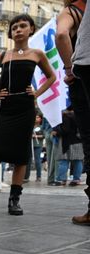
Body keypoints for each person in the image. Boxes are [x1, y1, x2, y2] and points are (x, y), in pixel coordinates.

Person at [0, 14, 55, 216]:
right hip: (5, 107)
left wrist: (36, 93)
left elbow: (52, 76)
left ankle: (14, 200)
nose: (18, 29)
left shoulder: (37, 54)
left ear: (31, 30)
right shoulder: (3, 56)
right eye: (14, 27)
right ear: (10, 33)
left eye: (22, 26)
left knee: (21, 156)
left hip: (25, 108)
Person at [56, 0, 90, 226]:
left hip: (82, 78)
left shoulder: (72, 10)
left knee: (89, 141)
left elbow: (61, 35)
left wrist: (68, 69)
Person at [53, 108, 84, 185]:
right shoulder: (79, 116)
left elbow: (65, 130)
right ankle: (76, 179)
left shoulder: (66, 117)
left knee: (63, 161)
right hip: (78, 142)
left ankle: (61, 179)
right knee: (78, 161)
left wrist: (56, 132)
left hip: (66, 143)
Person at [25, 112, 45, 182]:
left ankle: (38, 176)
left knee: (37, 161)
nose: (36, 119)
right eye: (35, 117)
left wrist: (35, 136)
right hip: (29, 145)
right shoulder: (30, 125)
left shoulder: (42, 127)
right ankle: (26, 176)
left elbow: (43, 135)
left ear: (40, 119)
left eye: (38, 117)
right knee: (28, 160)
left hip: (38, 145)